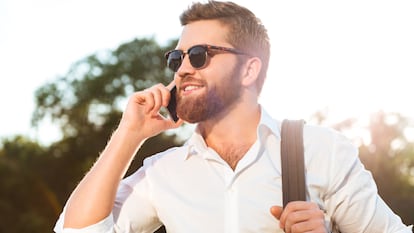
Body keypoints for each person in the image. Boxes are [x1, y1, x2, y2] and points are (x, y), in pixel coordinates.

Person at [54, 1, 412, 232]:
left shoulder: (322, 150)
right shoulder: (164, 171)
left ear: (249, 69)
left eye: (198, 55)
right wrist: (127, 135)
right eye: (176, 59)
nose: (181, 71)